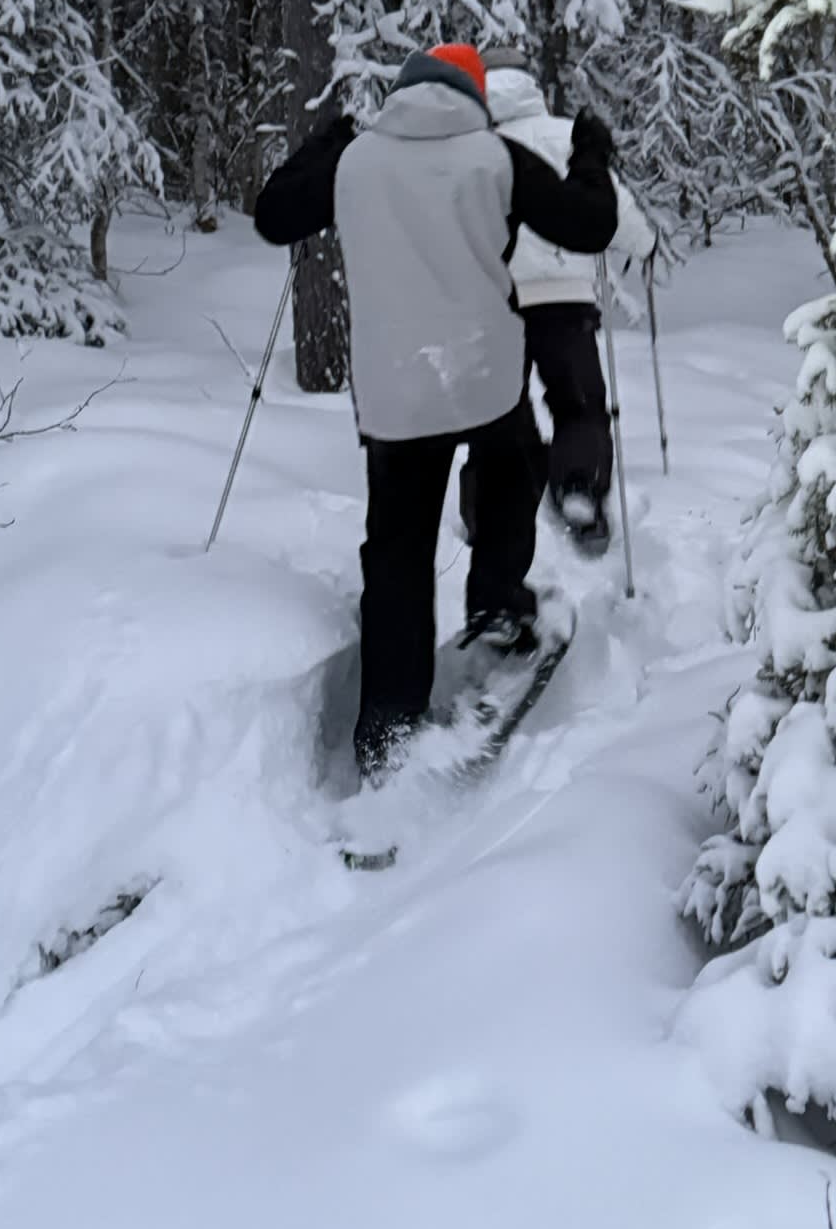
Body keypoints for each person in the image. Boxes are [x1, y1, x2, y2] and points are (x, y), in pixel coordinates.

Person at [253, 42, 618, 780]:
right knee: (514, 470)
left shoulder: (355, 160)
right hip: (485, 375)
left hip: (394, 393)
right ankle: (499, 606)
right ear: (473, 95)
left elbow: (274, 216)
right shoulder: (495, 157)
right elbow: (589, 226)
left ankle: (387, 727)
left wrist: (324, 143)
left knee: (398, 551)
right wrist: (590, 154)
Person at [459, 46, 657, 556]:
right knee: (578, 401)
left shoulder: (472, 147)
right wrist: (645, 244)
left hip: (492, 300)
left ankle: (486, 508)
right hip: (565, 300)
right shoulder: (571, 138)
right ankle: (579, 488)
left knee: (497, 409)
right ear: (532, 86)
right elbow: (614, 214)